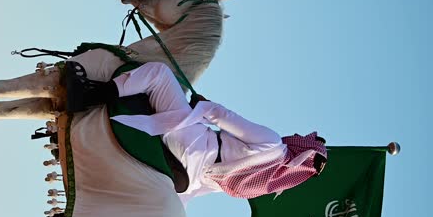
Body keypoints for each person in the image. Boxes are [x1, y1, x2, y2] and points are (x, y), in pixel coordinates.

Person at [64, 61, 327, 201]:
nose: (298, 135)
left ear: (303, 147)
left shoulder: (273, 145)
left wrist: (202, 103)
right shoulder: (261, 183)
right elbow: (204, 189)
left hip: (192, 143)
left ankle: (89, 94)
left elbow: (222, 116)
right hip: (189, 182)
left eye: (304, 138)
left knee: (159, 74)